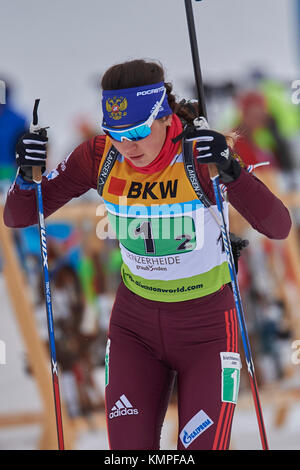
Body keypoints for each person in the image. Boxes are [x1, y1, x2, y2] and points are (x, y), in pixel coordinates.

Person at [3, 59, 292, 450]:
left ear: (163, 117)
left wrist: (232, 171)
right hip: (134, 329)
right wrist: (27, 174)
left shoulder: (197, 155)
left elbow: (278, 226)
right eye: (116, 132)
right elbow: (19, 215)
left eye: (138, 131)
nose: (128, 145)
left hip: (207, 330)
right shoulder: (100, 156)